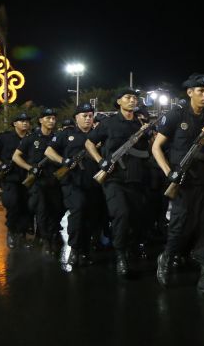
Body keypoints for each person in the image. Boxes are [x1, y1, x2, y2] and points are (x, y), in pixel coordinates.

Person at [153, 73, 204, 292]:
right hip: (183, 182)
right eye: (201, 91)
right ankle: (166, 257)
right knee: (179, 224)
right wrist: (168, 172)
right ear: (190, 92)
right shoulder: (176, 114)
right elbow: (156, 147)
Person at [86, 89, 152, 277]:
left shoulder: (140, 124)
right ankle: (120, 254)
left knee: (136, 217)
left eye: (134, 98)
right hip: (114, 179)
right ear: (119, 101)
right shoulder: (109, 123)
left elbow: (149, 149)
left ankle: (131, 247)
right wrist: (101, 161)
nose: (132, 100)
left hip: (136, 179)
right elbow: (89, 143)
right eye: (128, 97)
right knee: (121, 214)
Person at [45, 103, 104, 272]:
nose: (88, 118)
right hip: (72, 182)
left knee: (91, 217)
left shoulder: (98, 135)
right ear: (76, 118)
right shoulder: (66, 134)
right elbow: (49, 152)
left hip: (93, 183)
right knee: (78, 211)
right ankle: (75, 249)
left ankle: (85, 250)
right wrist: (63, 161)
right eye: (84, 115)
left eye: (90, 115)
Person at [13, 108, 64, 256]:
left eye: (53, 118)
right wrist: (29, 168)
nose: (51, 121)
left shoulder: (57, 137)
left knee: (57, 209)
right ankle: (46, 241)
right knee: (41, 210)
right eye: (48, 118)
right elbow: (16, 156)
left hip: (55, 179)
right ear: (41, 120)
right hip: (37, 180)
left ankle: (50, 234)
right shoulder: (31, 138)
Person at [0, 112, 32, 248]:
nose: (25, 123)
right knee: (13, 204)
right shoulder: (4, 137)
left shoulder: (32, 138)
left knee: (26, 206)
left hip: (27, 177)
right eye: (21, 120)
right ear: (14, 124)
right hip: (10, 177)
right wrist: (0, 163)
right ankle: (11, 231)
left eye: (27, 121)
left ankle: (22, 234)